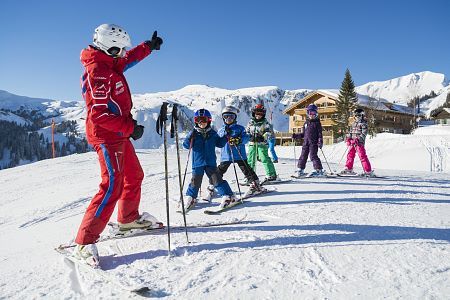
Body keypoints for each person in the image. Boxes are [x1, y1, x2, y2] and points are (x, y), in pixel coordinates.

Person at [73, 24, 163, 267]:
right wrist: (130, 128)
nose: (123, 53)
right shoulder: (98, 73)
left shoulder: (110, 62)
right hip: (106, 136)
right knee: (112, 185)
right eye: (119, 49)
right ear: (107, 47)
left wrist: (147, 47)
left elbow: (128, 59)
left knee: (134, 176)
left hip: (119, 133)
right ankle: (84, 241)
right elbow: (99, 116)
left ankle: (128, 219)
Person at [204, 106, 265, 200]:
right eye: (226, 116)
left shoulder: (240, 128)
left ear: (235, 117)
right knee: (219, 171)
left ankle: (255, 185)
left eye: (231, 117)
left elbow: (246, 138)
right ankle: (212, 185)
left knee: (247, 170)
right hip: (226, 156)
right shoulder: (221, 130)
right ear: (223, 118)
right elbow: (217, 141)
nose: (228, 119)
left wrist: (239, 140)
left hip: (239, 154)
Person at [182, 108, 238, 210]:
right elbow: (186, 145)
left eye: (203, 120)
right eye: (198, 120)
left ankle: (229, 196)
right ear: (195, 121)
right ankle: (190, 197)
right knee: (195, 181)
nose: (201, 122)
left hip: (210, 163)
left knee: (216, 179)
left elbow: (220, 144)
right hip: (197, 163)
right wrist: (189, 137)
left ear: (208, 120)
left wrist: (226, 136)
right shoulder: (194, 134)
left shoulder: (212, 134)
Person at [246, 104, 278, 183]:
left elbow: (269, 132)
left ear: (263, 114)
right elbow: (246, 132)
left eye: (261, 113)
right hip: (252, 144)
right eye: (257, 113)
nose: (258, 115)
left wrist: (263, 136)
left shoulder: (265, 123)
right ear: (254, 113)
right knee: (250, 160)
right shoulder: (251, 122)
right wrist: (249, 137)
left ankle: (271, 174)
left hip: (261, 144)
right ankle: (250, 177)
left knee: (264, 158)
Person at [292, 104, 324, 177]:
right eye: (310, 113)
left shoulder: (317, 123)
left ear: (316, 114)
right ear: (307, 113)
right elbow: (303, 134)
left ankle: (318, 169)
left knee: (313, 156)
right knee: (303, 156)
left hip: (313, 143)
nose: (312, 115)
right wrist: (296, 136)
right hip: (305, 143)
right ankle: (300, 169)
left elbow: (320, 134)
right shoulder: (306, 123)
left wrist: (320, 141)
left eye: (313, 113)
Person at [341, 108, 373, 176]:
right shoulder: (353, 124)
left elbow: (364, 134)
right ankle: (348, 168)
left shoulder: (364, 124)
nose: (357, 117)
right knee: (350, 155)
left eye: (358, 115)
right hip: (352, 143)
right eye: (355, 116)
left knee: (362, 156)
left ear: (362, 116)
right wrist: (348, 138)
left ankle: (368, 171)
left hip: (359, 143)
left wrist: (358, 139)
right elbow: (350, 132)